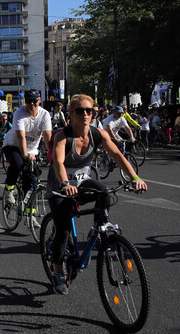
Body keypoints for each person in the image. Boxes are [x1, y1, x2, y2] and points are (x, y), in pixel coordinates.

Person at [47, 94, 147, 295]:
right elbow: (58, 162)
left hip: (82, 183)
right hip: (60, 186)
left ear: (94, 113)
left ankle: (100, 231)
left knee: (104, 192)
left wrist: (135, 177)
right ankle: (58, 270)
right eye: (80, 110)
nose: (85, 114)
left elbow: (118, 155)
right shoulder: (62, 136)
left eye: (89, 110)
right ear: (71, 113)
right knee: (64, 231)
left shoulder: (98, 133)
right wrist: (65, 183)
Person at [2, 89, 52, 205]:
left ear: (39, 100)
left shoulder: (45, 114)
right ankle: (9, 189)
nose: (32, 104)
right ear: (25, 102)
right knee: (18, 164)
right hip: (13, 145)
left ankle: (30, 214)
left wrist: (52, 156)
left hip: (32, 150)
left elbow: (47, 136)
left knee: (31, 183)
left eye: (34, 101)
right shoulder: (19, 113)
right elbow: (21, 137)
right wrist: (25, 155)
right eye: (29, 101)